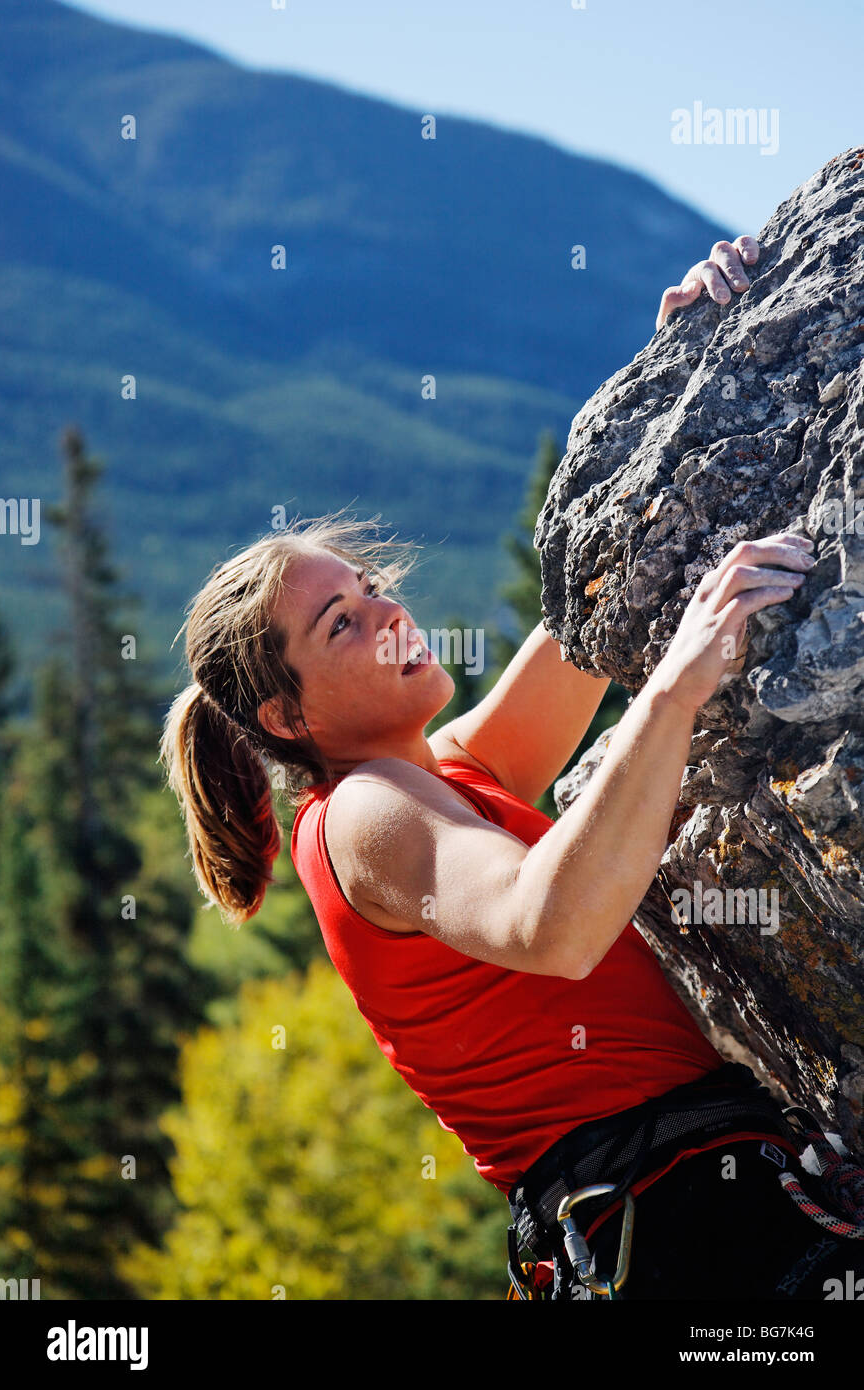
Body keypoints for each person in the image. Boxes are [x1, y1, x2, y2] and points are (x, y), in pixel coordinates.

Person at [160, 235, 863, 1299]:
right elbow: (553, 925)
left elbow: (601, 617)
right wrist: (672, 690)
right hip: (674, 1230)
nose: (389, 611)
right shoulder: (360, 822)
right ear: (284, 713)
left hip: (699, 1208)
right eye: (342, 623)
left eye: (369, 584)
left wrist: (687, 364)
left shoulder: (443, 769)